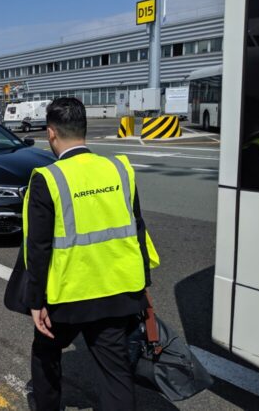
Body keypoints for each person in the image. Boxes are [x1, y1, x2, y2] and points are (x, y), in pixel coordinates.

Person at [21, 97, 160, 411]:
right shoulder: (119, 169)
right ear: (83, 130)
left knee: (45, 353)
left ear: (51, 134)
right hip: (117, 290)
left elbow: (39, 248)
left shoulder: (47, 179)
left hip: (68, 295)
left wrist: (35, 301)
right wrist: (143, 287)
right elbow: (137, 229)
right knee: (116, 373)